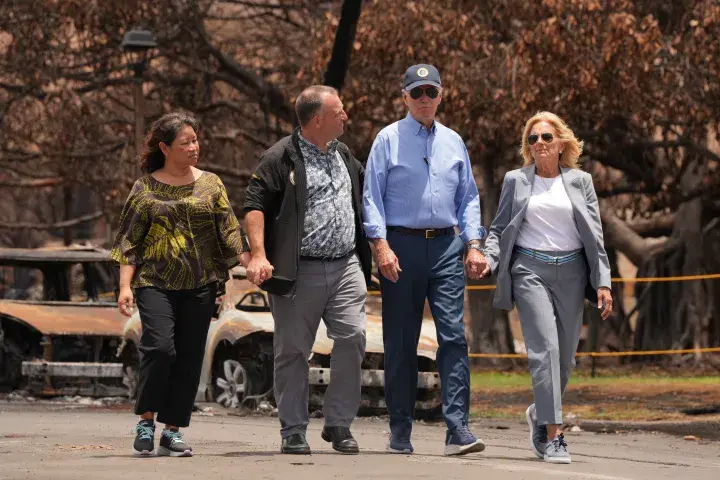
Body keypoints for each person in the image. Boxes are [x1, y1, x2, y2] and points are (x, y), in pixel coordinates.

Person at [363, 64, 487, 456]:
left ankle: (457, 429)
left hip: (447, 248)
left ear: (441, 95)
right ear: (404, 97)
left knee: (453, 338)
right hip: (401, 246)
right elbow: (372, 197)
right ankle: (400, 430)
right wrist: (380, 246)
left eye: (430, 92)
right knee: (402, 342)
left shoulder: (454, 141)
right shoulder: (387, 139)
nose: (423, 99)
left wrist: (474, 243)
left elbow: (468, 197)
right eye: (416, 92)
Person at [243, 85, 372, 455]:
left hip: (346, 265)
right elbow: (254, 205)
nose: (345, 115)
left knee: (352, 338)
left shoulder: (344, 153)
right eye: (339, 111)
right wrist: (258, 254)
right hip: (299, 272)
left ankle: (338, 424)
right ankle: (294, 429)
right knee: (293, 351)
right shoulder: (280, 156)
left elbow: (370, 192)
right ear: (318, 119)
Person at [111, 112, 250, 457]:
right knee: (160, 349)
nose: (193, 147)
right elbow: (129, 242)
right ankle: (146, 420)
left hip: (201, 284)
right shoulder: (144, 188)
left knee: (188, 358)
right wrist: (125, 287)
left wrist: (254, 262)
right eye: (185, 142)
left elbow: (230, 234)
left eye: (195, 140)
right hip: (154, 282)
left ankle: (172, 430)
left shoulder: (211, 184)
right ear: (165, 147)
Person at [479, 111, 613, 464]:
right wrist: (487, 259)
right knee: (546, 350)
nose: (539, 143)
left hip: (572, 273)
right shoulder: (516, 180)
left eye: (546, 138)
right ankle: (554, 436)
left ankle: (540, 413)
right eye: (532, 139)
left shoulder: (581, 181)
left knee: (566, 357)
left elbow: (596, 236)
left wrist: (603, 283)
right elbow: (498, 229)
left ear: (561, 144)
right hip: (529, 269)